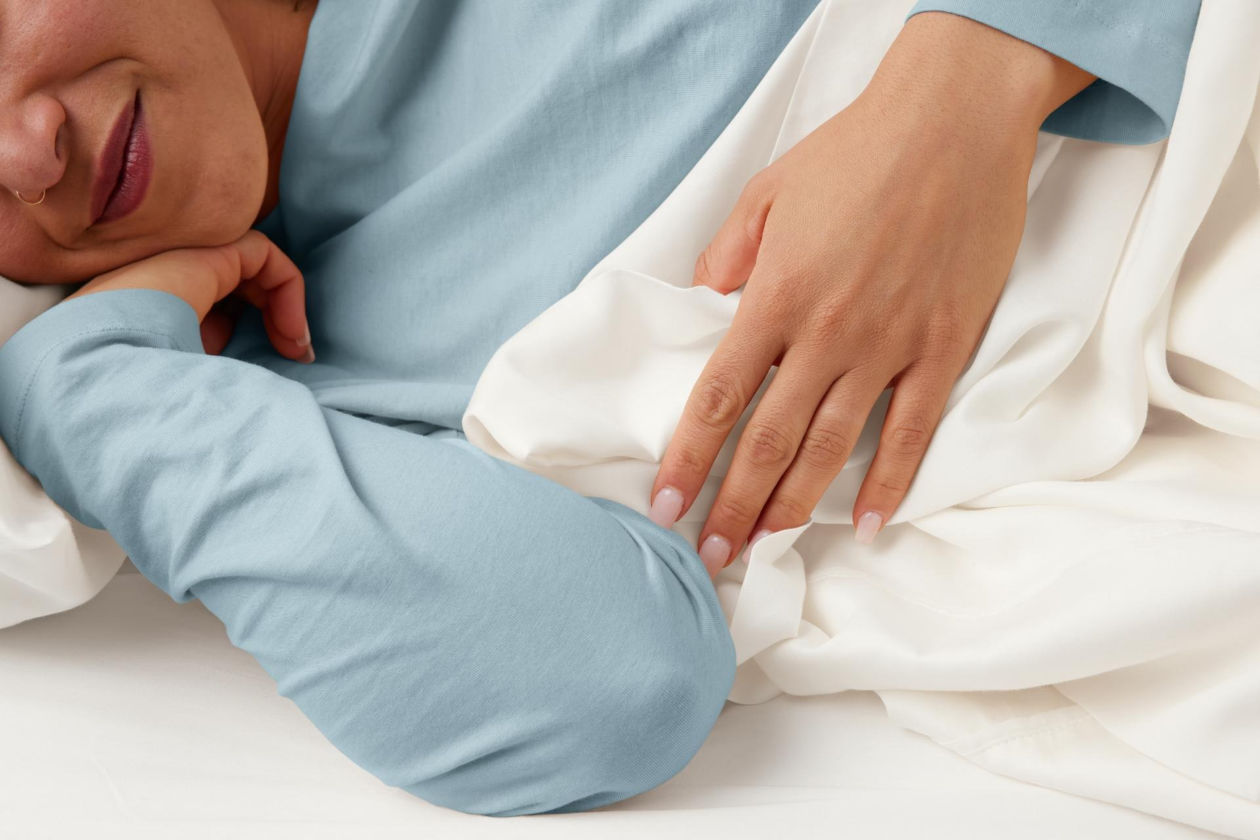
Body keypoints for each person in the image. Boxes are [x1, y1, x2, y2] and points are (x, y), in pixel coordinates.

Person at [0, 0, 1201, 817]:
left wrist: (963, 90)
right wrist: (90, 390)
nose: (26, 152)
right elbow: (608, 680)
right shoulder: (287, 383)